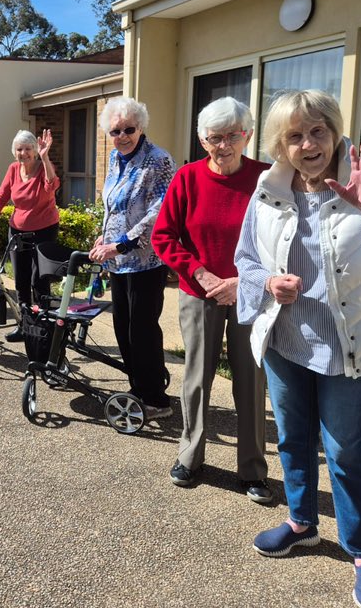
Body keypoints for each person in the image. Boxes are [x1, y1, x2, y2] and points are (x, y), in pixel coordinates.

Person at [234, 90, 361, 608]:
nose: (309, 144)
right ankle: (302, 521)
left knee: (347, 452)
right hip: (287, 340)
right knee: (293, 438)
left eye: (318, 130)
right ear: (281, 145)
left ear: (335, 130)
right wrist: (268, 284)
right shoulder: (267, 189)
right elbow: (245, 261)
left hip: (354, 344)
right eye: (296, 135)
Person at [151, 97, 272, 502]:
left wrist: (243, 280)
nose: (224, 146)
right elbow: (164, 236)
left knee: (250, 381)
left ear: (247, 135)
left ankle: (253, 469)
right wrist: (201, 273)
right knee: (197, 377)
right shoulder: (187, 178)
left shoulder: (266, 178)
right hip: (198, 292)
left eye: (232, 136)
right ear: (203, 140)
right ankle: (190, 456)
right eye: (215, 138)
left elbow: (281, 239)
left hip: (250, 293)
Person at [88, 97, 175, 419]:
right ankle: (139, 387)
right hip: (118, 261)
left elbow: (160, 210)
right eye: (115, 131)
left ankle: (156, 400)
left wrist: (122, 243)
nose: (122, 136)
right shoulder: (114, 158)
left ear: (141, 127)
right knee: (123, 329)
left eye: (129, 129)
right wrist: (104, 235)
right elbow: (113, 205)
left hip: (145, 261)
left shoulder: (158, 160)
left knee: (143, 330)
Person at [0, 129, 59, 340]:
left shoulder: (43, 167)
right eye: (19, 149)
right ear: (14, 152)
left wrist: (45, 158)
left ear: (35, 151)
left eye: (28, 148)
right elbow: (0, 199)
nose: (24, 153)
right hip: (18, 231)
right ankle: (24, 324)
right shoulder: (13, 169)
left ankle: (43, 326)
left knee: (39, 278)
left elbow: (51, 186)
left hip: (44, 230)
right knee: (20, 279)